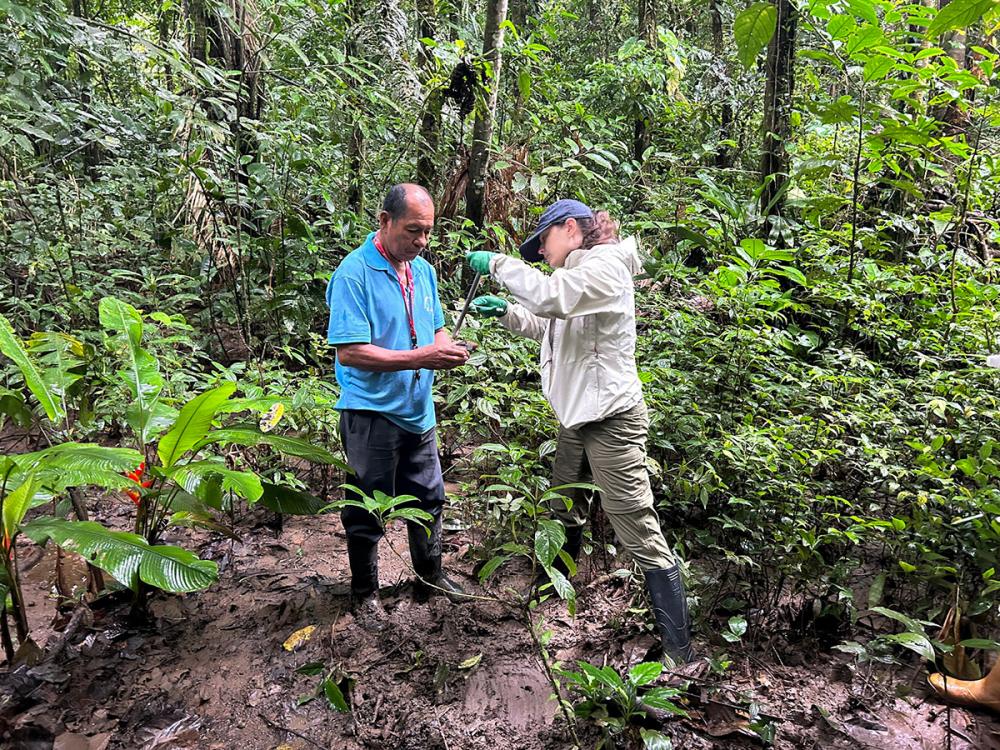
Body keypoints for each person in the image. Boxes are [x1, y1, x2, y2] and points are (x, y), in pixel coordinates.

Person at [465, 198, 694, 665]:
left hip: (610, 417)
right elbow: (552, 324)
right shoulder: (580, 273)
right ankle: (556, 592)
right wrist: (507, 313)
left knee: (633, 520)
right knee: (563, 502)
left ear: (571, 228)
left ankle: (680, 651)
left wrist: (499, 265)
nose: (541, 253)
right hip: (578, 414)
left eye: (542, 242)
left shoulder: (606, 266)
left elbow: (556, 299)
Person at [326, 183, 470, 623]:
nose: (421, 241)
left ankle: (430, 578)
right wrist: (421, 356)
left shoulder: (422, 271)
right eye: (413, 231)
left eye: (427, 232)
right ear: (384, 222)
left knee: (429, 498)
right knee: (367, 505)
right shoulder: (353, 274)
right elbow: (349, 351)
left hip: (417, 411)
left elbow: (436, 327)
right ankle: (364, 593)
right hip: (371, 412)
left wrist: (445, 348)